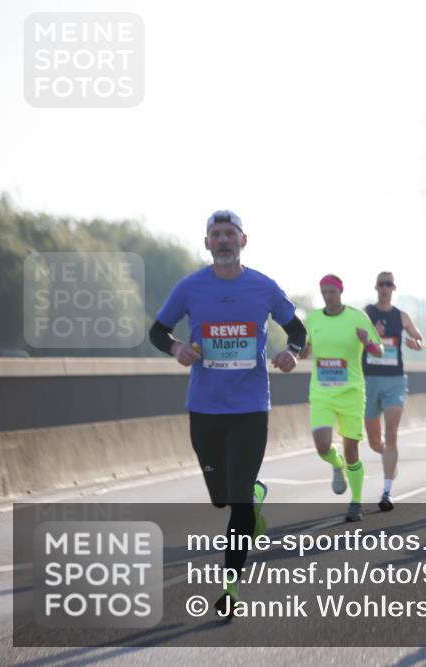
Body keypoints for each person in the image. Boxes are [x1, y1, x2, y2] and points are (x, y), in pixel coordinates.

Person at [149, 210, 306, 616]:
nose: (223, 240)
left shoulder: (263, 287)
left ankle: (230, 587)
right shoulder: (190, 288)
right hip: (204, 407)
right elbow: (156, 331)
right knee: (221, 499)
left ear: (243, 241)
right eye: (215, 234)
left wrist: (290, 352)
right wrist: (176, 348)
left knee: (235, 504)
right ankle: (252, 497)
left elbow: (299, 331)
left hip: (251, 408)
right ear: (206, 243)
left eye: (229, 234)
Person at [301, 274, 384, 523]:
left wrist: (366, 341)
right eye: (324, 292)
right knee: (322, 445)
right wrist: (299, 351)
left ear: (341, 292)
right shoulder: (313, 319)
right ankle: (337, 466)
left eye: (332, 292)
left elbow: (378, 351)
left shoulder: (357, 317)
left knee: (352, 451)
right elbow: (304, 351)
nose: (328, 297)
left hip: (351, 392)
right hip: (322, 392)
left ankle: (356, 502)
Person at [363, 271, 425, 511]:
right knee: (375, 442)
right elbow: (354, 336)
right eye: (382, 284)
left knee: (391, 433)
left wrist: (415, 344)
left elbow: (420, 340)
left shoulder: (401, 316)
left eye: (389, 284)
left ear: (394, 287)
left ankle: (386, 492)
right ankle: (387, 455)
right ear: (376, 287)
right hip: (370, 380)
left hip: (395, 381)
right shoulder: (367, 313)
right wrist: (370, 335)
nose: (385, 288)